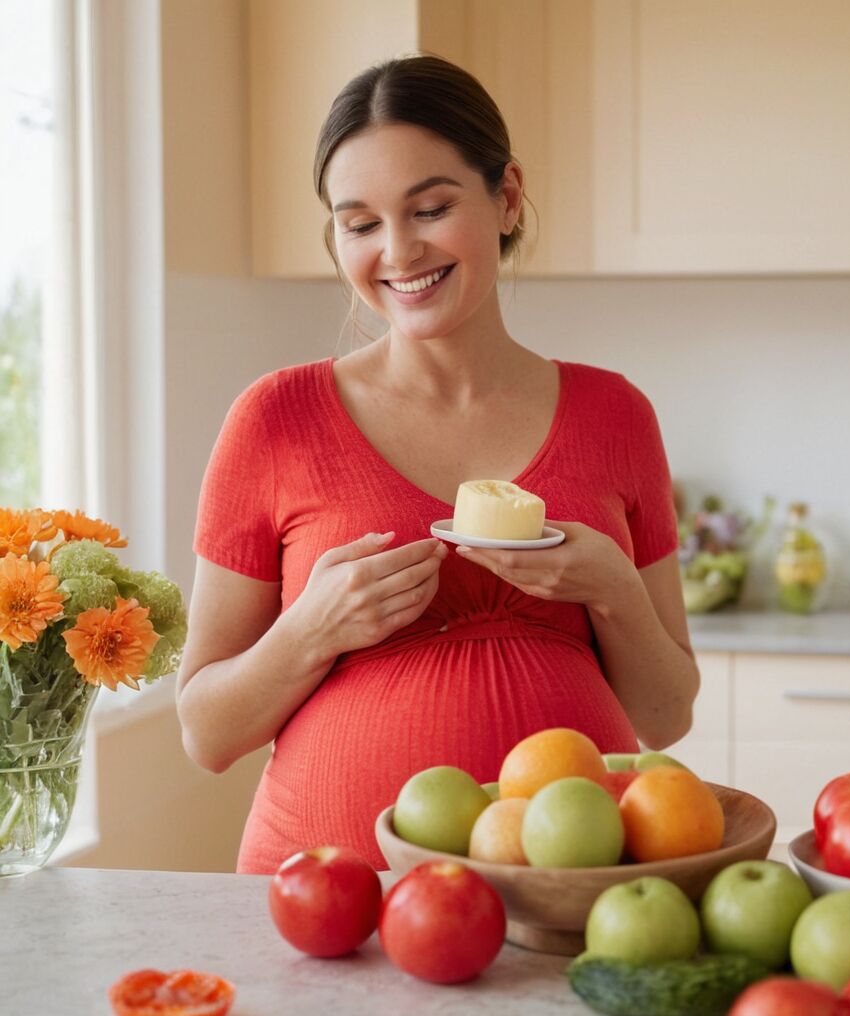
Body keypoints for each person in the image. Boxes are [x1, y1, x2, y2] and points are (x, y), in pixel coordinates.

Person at [176, 54, 700, 873]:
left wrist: (613, 589)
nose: (398, 250)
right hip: (332, 907)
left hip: (570, 899)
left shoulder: (615, 415)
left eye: (429, 208)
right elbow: (207, 734)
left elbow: (666, 715)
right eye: (360, 223)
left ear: (507, 198)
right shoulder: (276, 419)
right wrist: (313, 630)